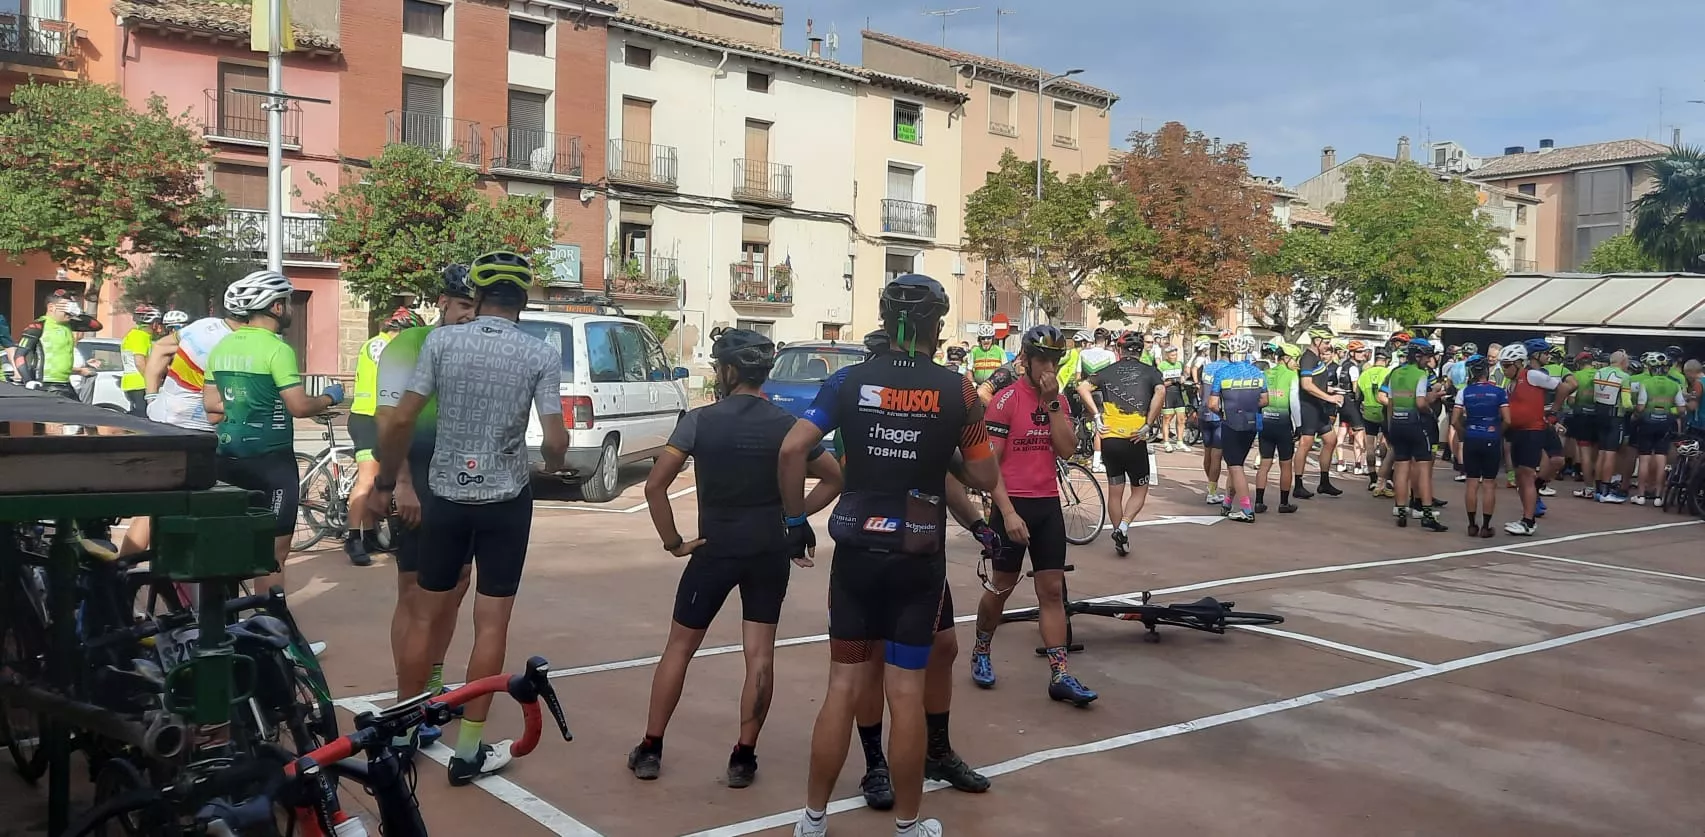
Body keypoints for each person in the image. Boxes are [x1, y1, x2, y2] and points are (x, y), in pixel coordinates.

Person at [780, 274, 999, 837]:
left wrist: (793, 519)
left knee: (843, 687)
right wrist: (939, 444)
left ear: (884, 319)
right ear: (938, 326)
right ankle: (907, 825)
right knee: (906, 691)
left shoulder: (848, 379)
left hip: (855, 548)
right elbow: (981, 473)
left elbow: (793, 448)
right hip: (915, 552)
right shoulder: (959, 391)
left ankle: (811, 822)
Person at [369, 250, 567, 785]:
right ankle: (469, 750)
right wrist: (552, 461)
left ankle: (407, 732)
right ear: (522, 302)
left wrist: (388, 478)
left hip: (446, 496)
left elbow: (402, 418)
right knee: (491, 622)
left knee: (424, 615)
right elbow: (553, 441)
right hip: (505, 501)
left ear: (476, 298)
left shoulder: (439, 341)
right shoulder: (540, 353)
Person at [628, 328, 845, 788]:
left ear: (727, 372)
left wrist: (674, 542)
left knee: (679, 649)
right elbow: (833, 478)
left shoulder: (700, 420)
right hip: (767, 550)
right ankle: (743, 757)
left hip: (713, 549)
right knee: (759, 654)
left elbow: (654, 487)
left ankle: (651, 747)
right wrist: (793, 516)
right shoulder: (787, 426)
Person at [847, 328, 995, 807]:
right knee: (869, 663)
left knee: (945, 647)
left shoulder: (929, 411)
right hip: (871, 546)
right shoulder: (859, 415)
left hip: (920, 545)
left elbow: (949, 474)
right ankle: (875, 765)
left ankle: (937, 750)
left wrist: (977, 523)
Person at [371, 265, 480, 754]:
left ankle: (431, 684)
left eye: (475, 310)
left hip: (462, 479)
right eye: (462, 307)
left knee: (456, 585)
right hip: (417, 471)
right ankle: (405, 699)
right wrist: (402, 485)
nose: (468, 318)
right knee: (414, 593)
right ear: (442, 302)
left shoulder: (478, 349)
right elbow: (389, 420)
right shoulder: (408, 345)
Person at [970, 324, 1096, 710]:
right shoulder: (1005, 401)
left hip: (1046, 505)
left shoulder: (1057, 399)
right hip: (1012, 505)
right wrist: (1006, 513)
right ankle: (981, 649)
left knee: (1052, 591)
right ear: (1026, 359)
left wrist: (1054, 403)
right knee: (1002, 587)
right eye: (1042, 359)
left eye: (1055, 360)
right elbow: (990, 465)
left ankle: (1060, 673)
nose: (1049, 367)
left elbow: (1066, 449)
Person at [204, 270, 344, 593]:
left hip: (226, 460)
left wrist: (244, 405)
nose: (290, 308)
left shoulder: (221, 347)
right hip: (272, 465)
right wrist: (329, 397)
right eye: (288, 302)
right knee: (273, 555)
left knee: (228, 550)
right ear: (276, 307)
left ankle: (223, 628)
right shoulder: (278, 349)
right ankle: (270, 631)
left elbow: (212, 406)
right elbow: (298, 406)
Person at [345, 307, 425, 567]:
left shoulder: (382, 343)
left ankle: (368, 534)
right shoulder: (382, 345)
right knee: (369, 480)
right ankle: (353, 538)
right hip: (369, 417)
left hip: (375, 415)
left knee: (380, 476)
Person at [1075, 330, 1165, 554]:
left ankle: (1119, 535)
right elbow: (1161, 392)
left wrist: (1096, 416)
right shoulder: (1151, 372)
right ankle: (1124, 527)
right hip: (1135, 437)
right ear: (1141, 351)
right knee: (1139, 489)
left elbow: (1082, 387)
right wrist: (1148, 423)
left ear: (1118, 350)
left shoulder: (1106, 371)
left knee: (1115, 491)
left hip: (1109, 438)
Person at [1379, 340, 1448, 531]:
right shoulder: (1420, 374)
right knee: (1423, 469)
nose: (1429, 361)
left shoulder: (1395, 373)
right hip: (1416, 424)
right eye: (1426, 357)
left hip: (1397, 425)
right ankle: (1426, 514)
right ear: (1418, 356)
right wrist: (1430, 405)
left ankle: (1401, 511)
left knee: (1401, 467)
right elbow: (1419, 402)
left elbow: (1390, 402)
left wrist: (1392, 426)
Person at [1497, 343, 1561, 535]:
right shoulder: (1509, 386)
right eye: (1502, 365)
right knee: (1523, 475)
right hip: (1520, 432)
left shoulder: (1531, 375)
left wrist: (1554, 412)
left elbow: (1564, 387)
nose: (1504, 369)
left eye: (1507, 365)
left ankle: (1528, 520)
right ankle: (1528, 517)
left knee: (1532, 472)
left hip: (1534, 429)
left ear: (1518, 363)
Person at [1207, 335, 1267, 522]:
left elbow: (1212, 404)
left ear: (1230, 353)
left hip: (1231, 422)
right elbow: (1265, 400)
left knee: (1235, 465)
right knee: (1237, 463)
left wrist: (1222, 414)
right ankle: (1227, 502)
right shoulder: (1258, 373)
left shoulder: (1223, 373)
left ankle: (1247, 509)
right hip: (1252, 422)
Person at [1455, 355, 1508, 538]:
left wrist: (1464, 433)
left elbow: (1455, 420)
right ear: (1487, 371)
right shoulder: (1499, 392)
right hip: (1491, 437)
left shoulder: (1464, 392)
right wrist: (1498, 433)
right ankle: (1486, 527)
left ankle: (1471, 525)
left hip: (1471, 437)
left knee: (1471, 482)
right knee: (1489, 483)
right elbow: (1507, 419)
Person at [14, 291, 102, 399]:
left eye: (72, 307)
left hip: (65, 383)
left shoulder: (69, 324)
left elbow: (96, 326)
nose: (69, 311)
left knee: (80, 413)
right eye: (66, 307)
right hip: (45, 384)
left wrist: (79, 313)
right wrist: (28, 381)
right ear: (51, 307)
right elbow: (19, 355)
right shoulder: (37, 326)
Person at [1294, 327, 1346, 499]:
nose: (1328, 346)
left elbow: (1316, 382)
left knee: (1330, 441)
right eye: (1326, 342)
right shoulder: (1308, 358)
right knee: (1305, 444)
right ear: (1316, 341)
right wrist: (1329, 398)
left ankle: (1324, 482)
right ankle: (1298, 484)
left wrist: (1329, 390)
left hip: (1319, 407)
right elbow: (1307, 384)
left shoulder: (1316, 358)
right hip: (1309, 408)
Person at [1631, 351, 1686, 506]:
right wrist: (1669, 411)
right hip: (1665, 423)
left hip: (1647, 422)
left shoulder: (1646, 383)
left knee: (1644, 458)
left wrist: (1636, 413)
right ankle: (1658, 497)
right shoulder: (1675, 384)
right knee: (1662, 458)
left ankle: (1640, 496)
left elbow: (1641, 407)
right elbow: (1682, 409)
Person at [1254, 342, 1302, 514]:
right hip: (1283, 425)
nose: (1296, 363)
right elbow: (1294, 403)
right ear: (1287, 358)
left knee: (1264, 464)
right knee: (1286, 465)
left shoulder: (1265, 373)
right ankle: (1283, 503)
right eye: (1295, 359)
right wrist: (1299, 426)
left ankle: (1259, 502)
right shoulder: (1291, 376)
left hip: (1265, 423)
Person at [1587, 351, 1634, 503]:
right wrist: (1635, 408)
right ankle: (1606, 491)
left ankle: (1598, 489)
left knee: (1601, 452)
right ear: (1622, 361)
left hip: (1599, 413)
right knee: (1610, 453)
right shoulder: (1625, 377)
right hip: (1615, 416)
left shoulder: (1599, 372)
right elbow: (1626, 403)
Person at [1197, 339, 1232, 506]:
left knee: (1207, 453)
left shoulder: (1208, 366)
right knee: (1217, 455)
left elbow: (1201, 390)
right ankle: (1212, 491)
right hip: (1218, 415)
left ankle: (1211, 487)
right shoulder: (1229, 370)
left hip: (1204, 412)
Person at [1358, 348, 1393, 494]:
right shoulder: (1388, 373)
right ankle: (1385, 478)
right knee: (1386, 443)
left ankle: (1372, 479)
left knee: (1370, 445)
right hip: (1383, 409)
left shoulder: (1364, 374)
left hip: (1368, 410)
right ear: (1387, 360)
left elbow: (1357, 394)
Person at [120, 304, 163, 416]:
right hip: (140, 384)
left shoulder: (133, 335)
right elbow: (139, 363)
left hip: (132, 384)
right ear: (154, 324)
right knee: (144, 419)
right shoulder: (140, 336)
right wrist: (152, 382)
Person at [1156, 345, 1189, 452]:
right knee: (1167, 419)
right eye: (1172, 355)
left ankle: (1180, 442)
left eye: (1176, 355)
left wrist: (1183, 378)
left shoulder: (1179, 364)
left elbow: (1183, 375)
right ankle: (1166, 442)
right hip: (1168, 394)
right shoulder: (1162, 366)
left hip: (1178, 393)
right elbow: (1159, 384)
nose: (1174, 357)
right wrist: (1172, 381)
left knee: (1181, 418)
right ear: (1167, 355)